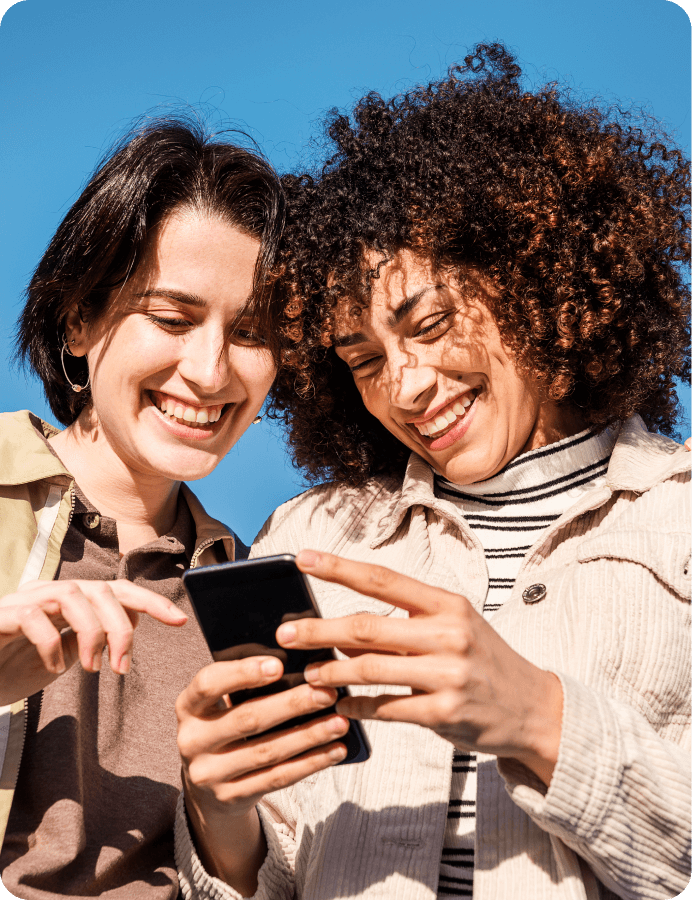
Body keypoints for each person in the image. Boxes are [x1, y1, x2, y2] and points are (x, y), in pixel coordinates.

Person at [175, 45, 692, 900]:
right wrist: (218, 814)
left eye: (432, 322)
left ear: (534, 274)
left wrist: (540, 718)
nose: (405, 387)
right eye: (365, 359)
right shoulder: (310, 538)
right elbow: (265, 874)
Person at [0, 117, 287, 899]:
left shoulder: (252, 588)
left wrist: (225, 806)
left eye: (250, 332)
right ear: (80, 319)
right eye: (172, 318)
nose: (210, 369)